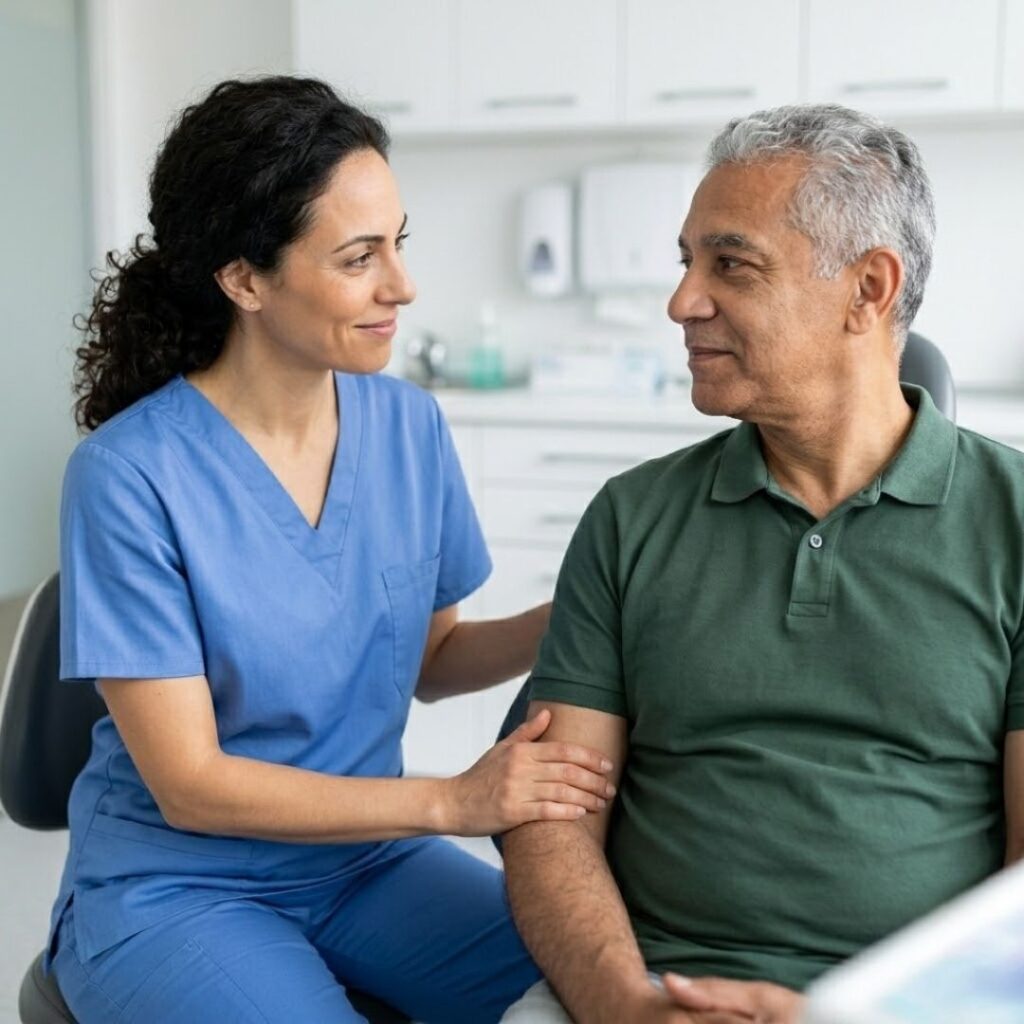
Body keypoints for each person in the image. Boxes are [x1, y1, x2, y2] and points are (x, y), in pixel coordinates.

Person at [47, 76, 616, 1024]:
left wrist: (583, 611)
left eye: (399, 243)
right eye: (359, 258)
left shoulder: (410, 427)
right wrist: (452, 802)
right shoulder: (128, 475)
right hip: (181, 887)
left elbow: (431, 662)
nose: (402, 285)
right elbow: (189, 786)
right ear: (245, 279)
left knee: (594, 987)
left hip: (367, 861)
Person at [499, 103, 1024, 1024]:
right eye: (686, 261)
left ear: (868, 289)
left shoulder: (1013, 520)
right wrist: (625, 1006)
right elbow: (552, 816)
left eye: (730, 264)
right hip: (653, 988)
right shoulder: (632, 517)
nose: (682, 301)